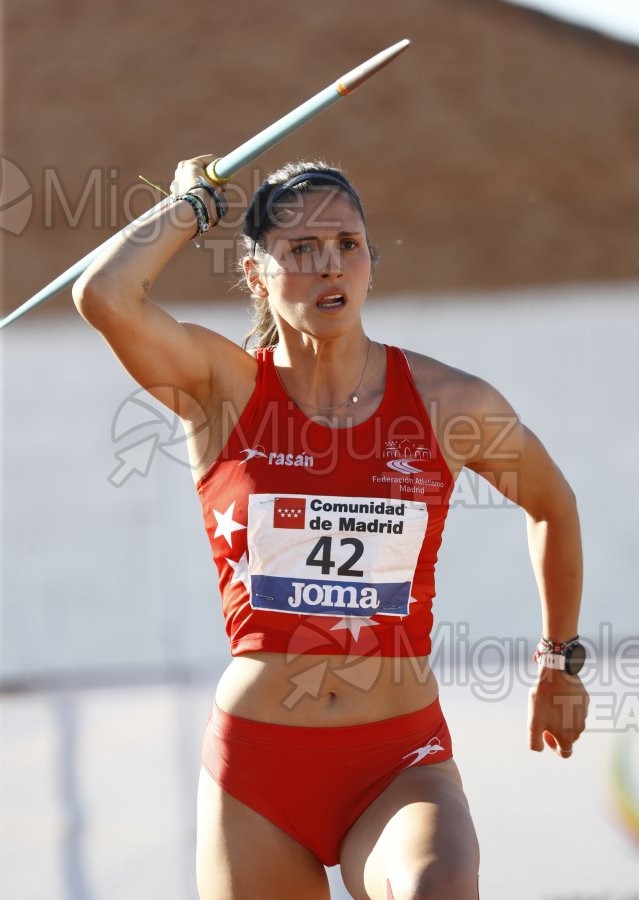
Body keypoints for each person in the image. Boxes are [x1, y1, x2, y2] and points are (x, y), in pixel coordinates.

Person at [72, 154, 589, 900]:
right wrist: (192, 204)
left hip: (396, 759)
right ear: (256, 274)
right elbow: (107, 296)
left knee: (433, 889)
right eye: (301, 250)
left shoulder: (450, 403)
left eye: (346, 245)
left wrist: (557, 660)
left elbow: (552, 504)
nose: (327, 266)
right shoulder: (221, 389)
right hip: (257, 773)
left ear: (369, 264)